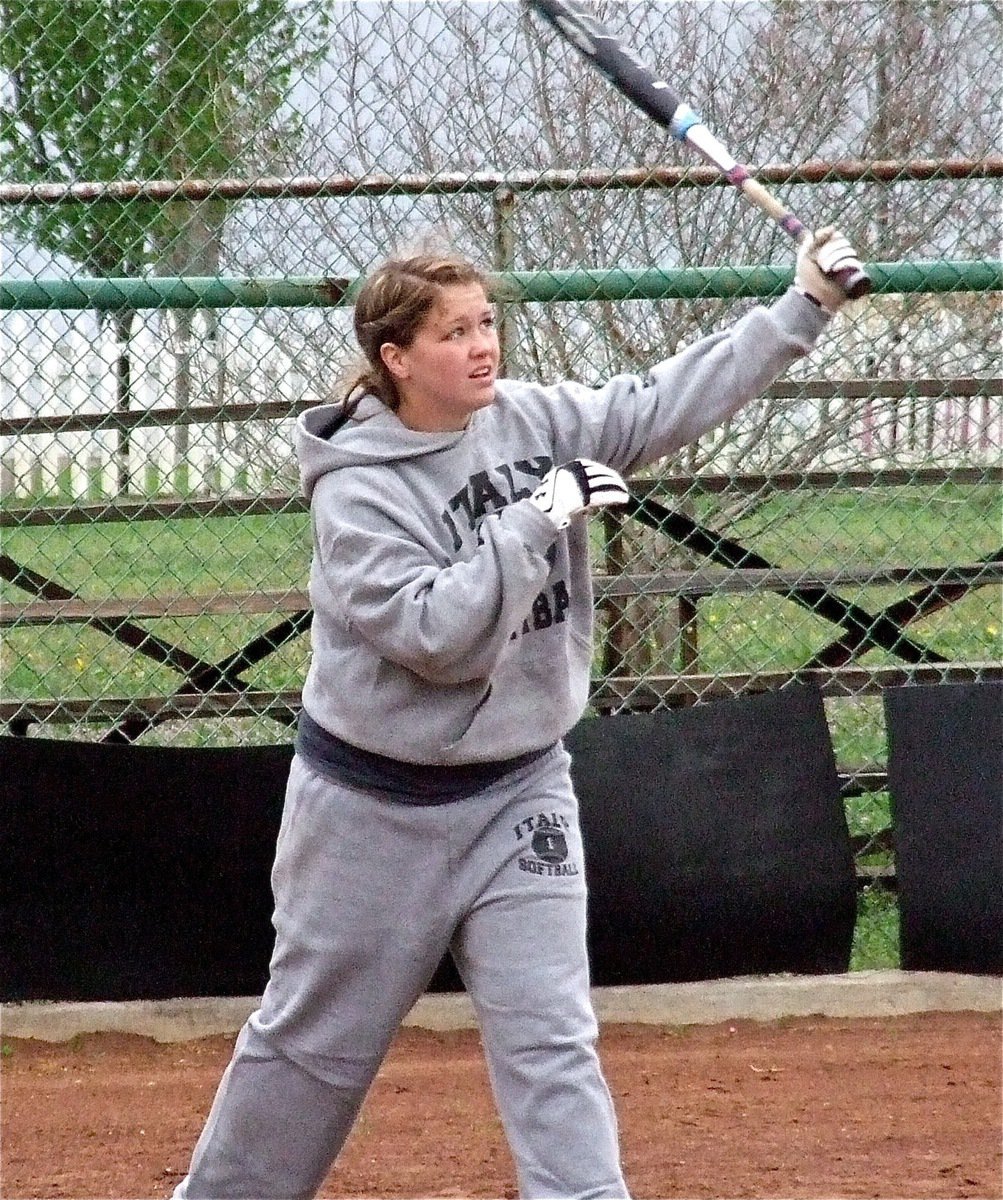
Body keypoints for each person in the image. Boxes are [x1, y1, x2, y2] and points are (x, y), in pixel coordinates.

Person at [172, 226, 864, 1199]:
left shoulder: (531, 418)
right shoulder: (361, 495)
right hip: (372, 813)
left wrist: (802, 308)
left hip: (518, 792)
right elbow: (440, 639)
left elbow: (659, 400)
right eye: (454, 332)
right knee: (310, 1055)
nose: (482, 344)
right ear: (395, 358)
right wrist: (538, 517)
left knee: (551, 1042)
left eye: (487, 322)